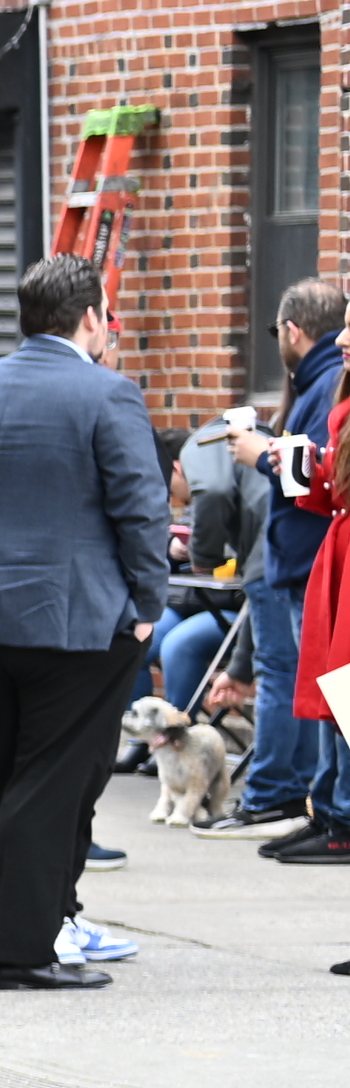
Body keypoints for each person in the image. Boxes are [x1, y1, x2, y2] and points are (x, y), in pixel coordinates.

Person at [0, 251, 175, 987]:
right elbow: (142, 510)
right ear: (92, 317)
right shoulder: (108, 394)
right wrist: (146, 608)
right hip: (81, 620)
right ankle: (20, 952)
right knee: (52, 783)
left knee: (2, 776)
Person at [239, 281, 342, 836]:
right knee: (315, 687)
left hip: (314, 560)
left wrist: (262, 459)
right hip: (313, 559)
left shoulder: (325, 384)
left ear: (292, 330)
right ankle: (322, 805)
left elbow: (322, 479)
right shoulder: (326, 383)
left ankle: (312, 804)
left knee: (314, 686)